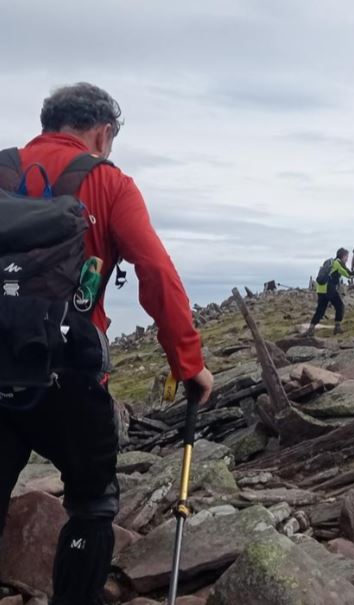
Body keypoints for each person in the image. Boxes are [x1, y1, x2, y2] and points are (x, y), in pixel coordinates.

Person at [0, 83, 214, 605]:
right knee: (92, 502)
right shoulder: (109, 183)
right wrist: (188, 364)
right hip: (67, 371)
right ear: (102, 132)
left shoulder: (2, 170)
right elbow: (156, 272)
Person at [305, 247, 354, 337]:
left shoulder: (330, 262)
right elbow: (349, 275)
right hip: (329, 289)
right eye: (347, 257)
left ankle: (310, 329)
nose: (347, 260)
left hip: (320, 289)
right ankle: (337, 328)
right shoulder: (338, 263)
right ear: (343, 256)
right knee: (340, 306)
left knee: (320, 310)